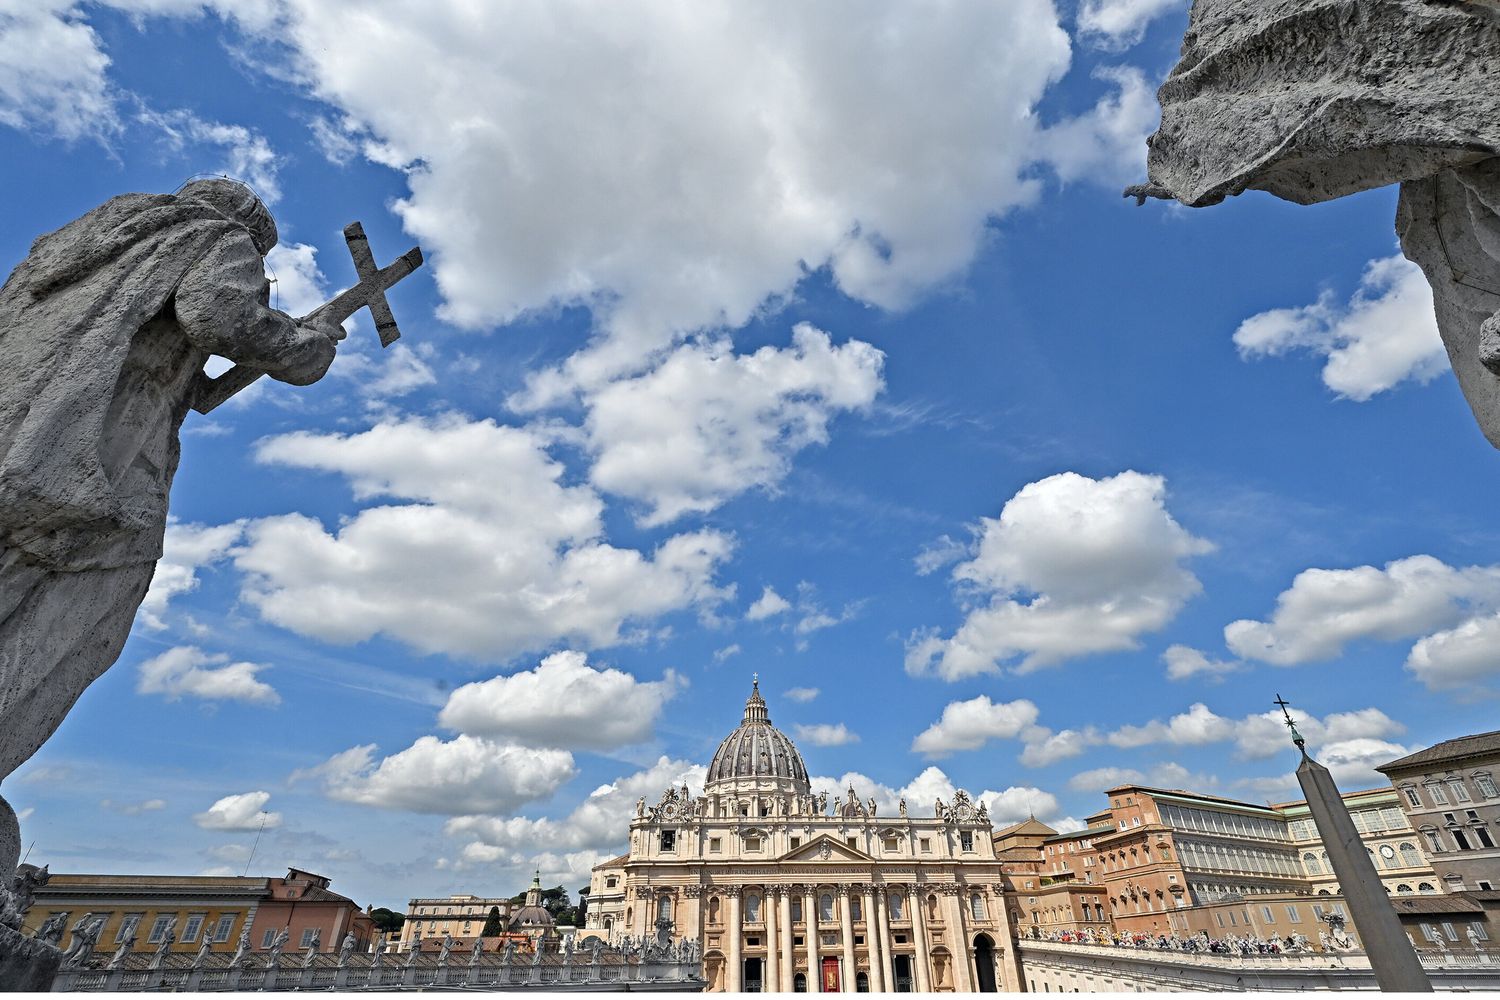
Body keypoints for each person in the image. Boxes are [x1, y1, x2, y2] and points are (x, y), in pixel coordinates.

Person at [0, 179, 342, 880]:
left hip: (22, 436)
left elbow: (202, 384)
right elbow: (218, 313)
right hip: (103, 457)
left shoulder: (77, 250)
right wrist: (307, 348)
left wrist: (288, 337)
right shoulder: (214, 237)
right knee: (91, 604)